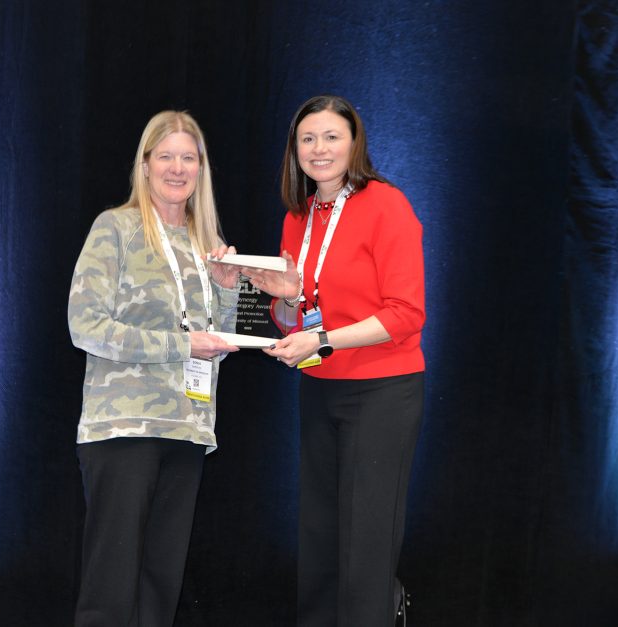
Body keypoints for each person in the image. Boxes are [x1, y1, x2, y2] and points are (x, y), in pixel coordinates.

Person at [243, 95, 426, 627]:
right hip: (320, 386)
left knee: (367, 538)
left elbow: (406, 314)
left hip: (383, 389)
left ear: (354, 143)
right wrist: (281, 298)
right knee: (320, 532)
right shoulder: (297, 216)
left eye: (331, 137)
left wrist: (321, 342)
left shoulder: (386, 204)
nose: (319, 149)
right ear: (294, 150)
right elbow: (290, 317)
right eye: (308, 138)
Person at [68, 110, 241, 627]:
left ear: (201, 169)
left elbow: (216, 338)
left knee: (158, 590)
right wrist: (180, 344)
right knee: (111, 590)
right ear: (145, 166)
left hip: (186, 428)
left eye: (189, 157)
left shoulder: (204, 243)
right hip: (122, 428)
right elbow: (86, 325)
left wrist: (229, 289)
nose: (177, 167)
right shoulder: (116, 227)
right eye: (165, 156)